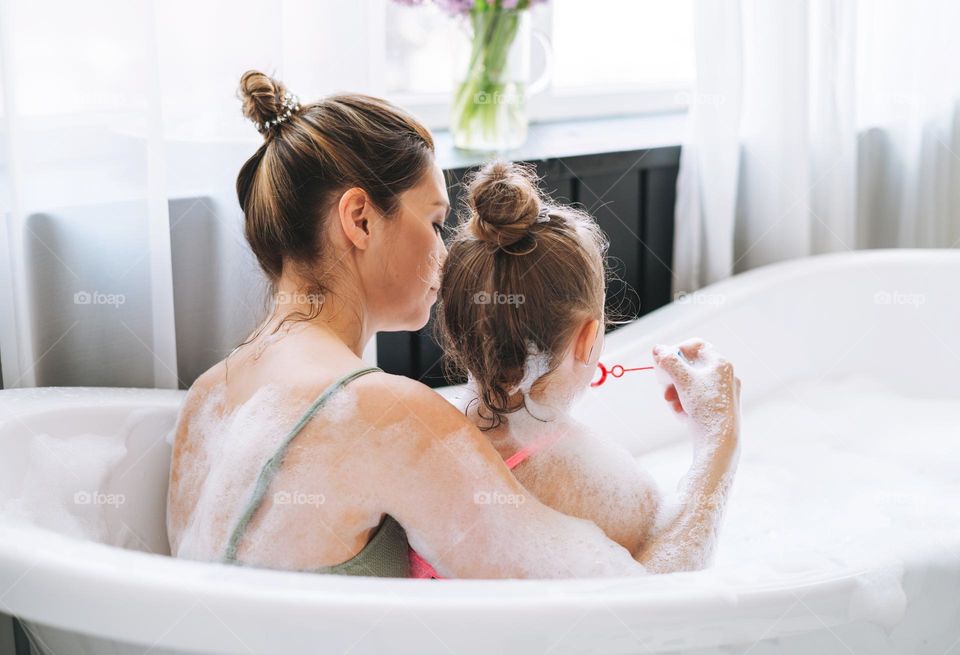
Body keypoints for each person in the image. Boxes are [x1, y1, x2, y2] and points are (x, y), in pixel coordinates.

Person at [165, 71, 741, 579]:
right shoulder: (384, 415)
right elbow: (642, 607)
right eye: (435, 221)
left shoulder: (206, 396)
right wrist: (719, 440)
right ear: (360, 219)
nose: (445, 253)